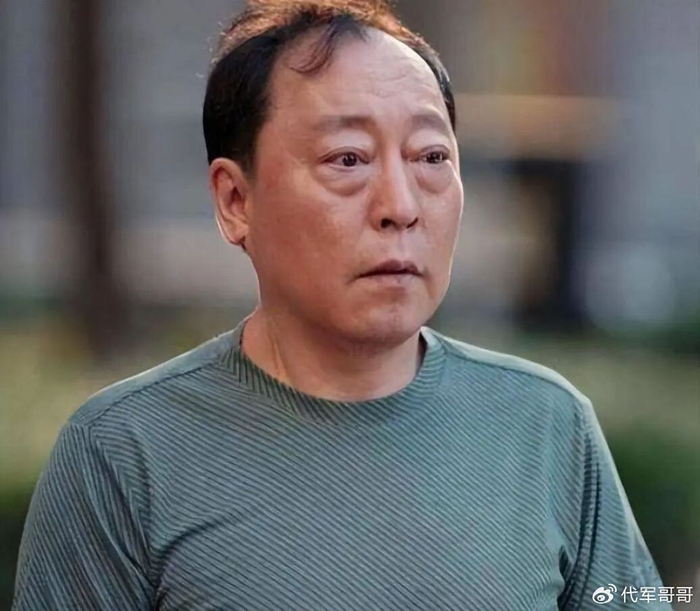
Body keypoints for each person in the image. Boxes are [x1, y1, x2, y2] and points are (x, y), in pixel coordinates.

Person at [13, 1, 669, 609]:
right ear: (236, 201)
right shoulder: (124, 453)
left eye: (431, 156)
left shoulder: (546, 423)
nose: (401, 206)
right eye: (348, 159)